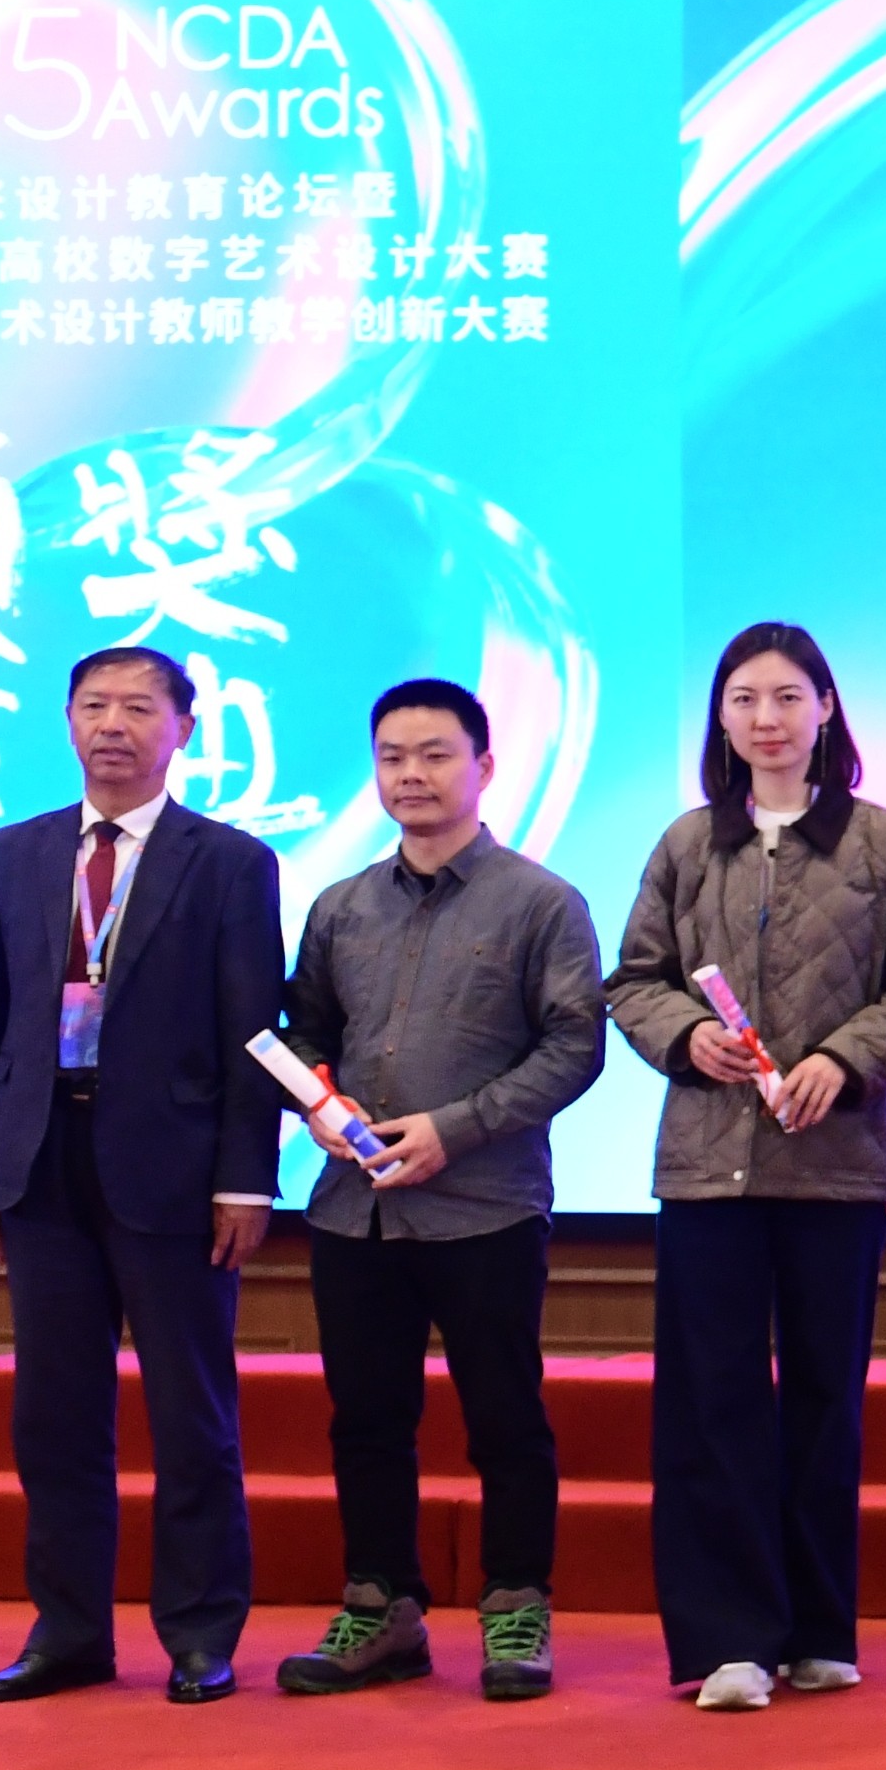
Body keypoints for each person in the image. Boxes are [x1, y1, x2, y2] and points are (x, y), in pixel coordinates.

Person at [606, 620, 886, 1713]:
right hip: (708, 1167)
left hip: (837, 1162)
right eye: (744, 700)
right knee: (710, 1402)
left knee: (823, 1399)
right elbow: (633, 980)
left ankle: (816, 1628)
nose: (766, 719)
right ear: (721, 719)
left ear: (826, 710)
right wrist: (685, 1036)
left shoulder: (882, 844)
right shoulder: (686, 845)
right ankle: (729, 1640)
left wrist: (843, 1062)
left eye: (787, 698)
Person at [0, 644, 285, 1704]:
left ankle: (199, 1632)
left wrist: (246, 1181)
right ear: (68, 721)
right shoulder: (16, 852)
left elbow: (251, 1031)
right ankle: (70, 1632)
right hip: (39, 1165)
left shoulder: (229, 862)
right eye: (94, 705)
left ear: (184, 729)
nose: (113, 726)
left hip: (174, 1173)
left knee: (191, 1414)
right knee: (53, 1414)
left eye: (139, 707)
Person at [273, 676, 607, 1704]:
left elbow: (575, 1048)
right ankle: (383, 1609)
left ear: (484, 767)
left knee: (504, 1418)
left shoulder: (541, 902)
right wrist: (317, 1102)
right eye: (392, 758)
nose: (410, 775)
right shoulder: (340, 906)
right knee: (365, 1419)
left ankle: (516, 1607)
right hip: (354, 1210)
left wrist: (450, 1131)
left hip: (485, 1207)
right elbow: (305, 1031)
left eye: (434, 755)